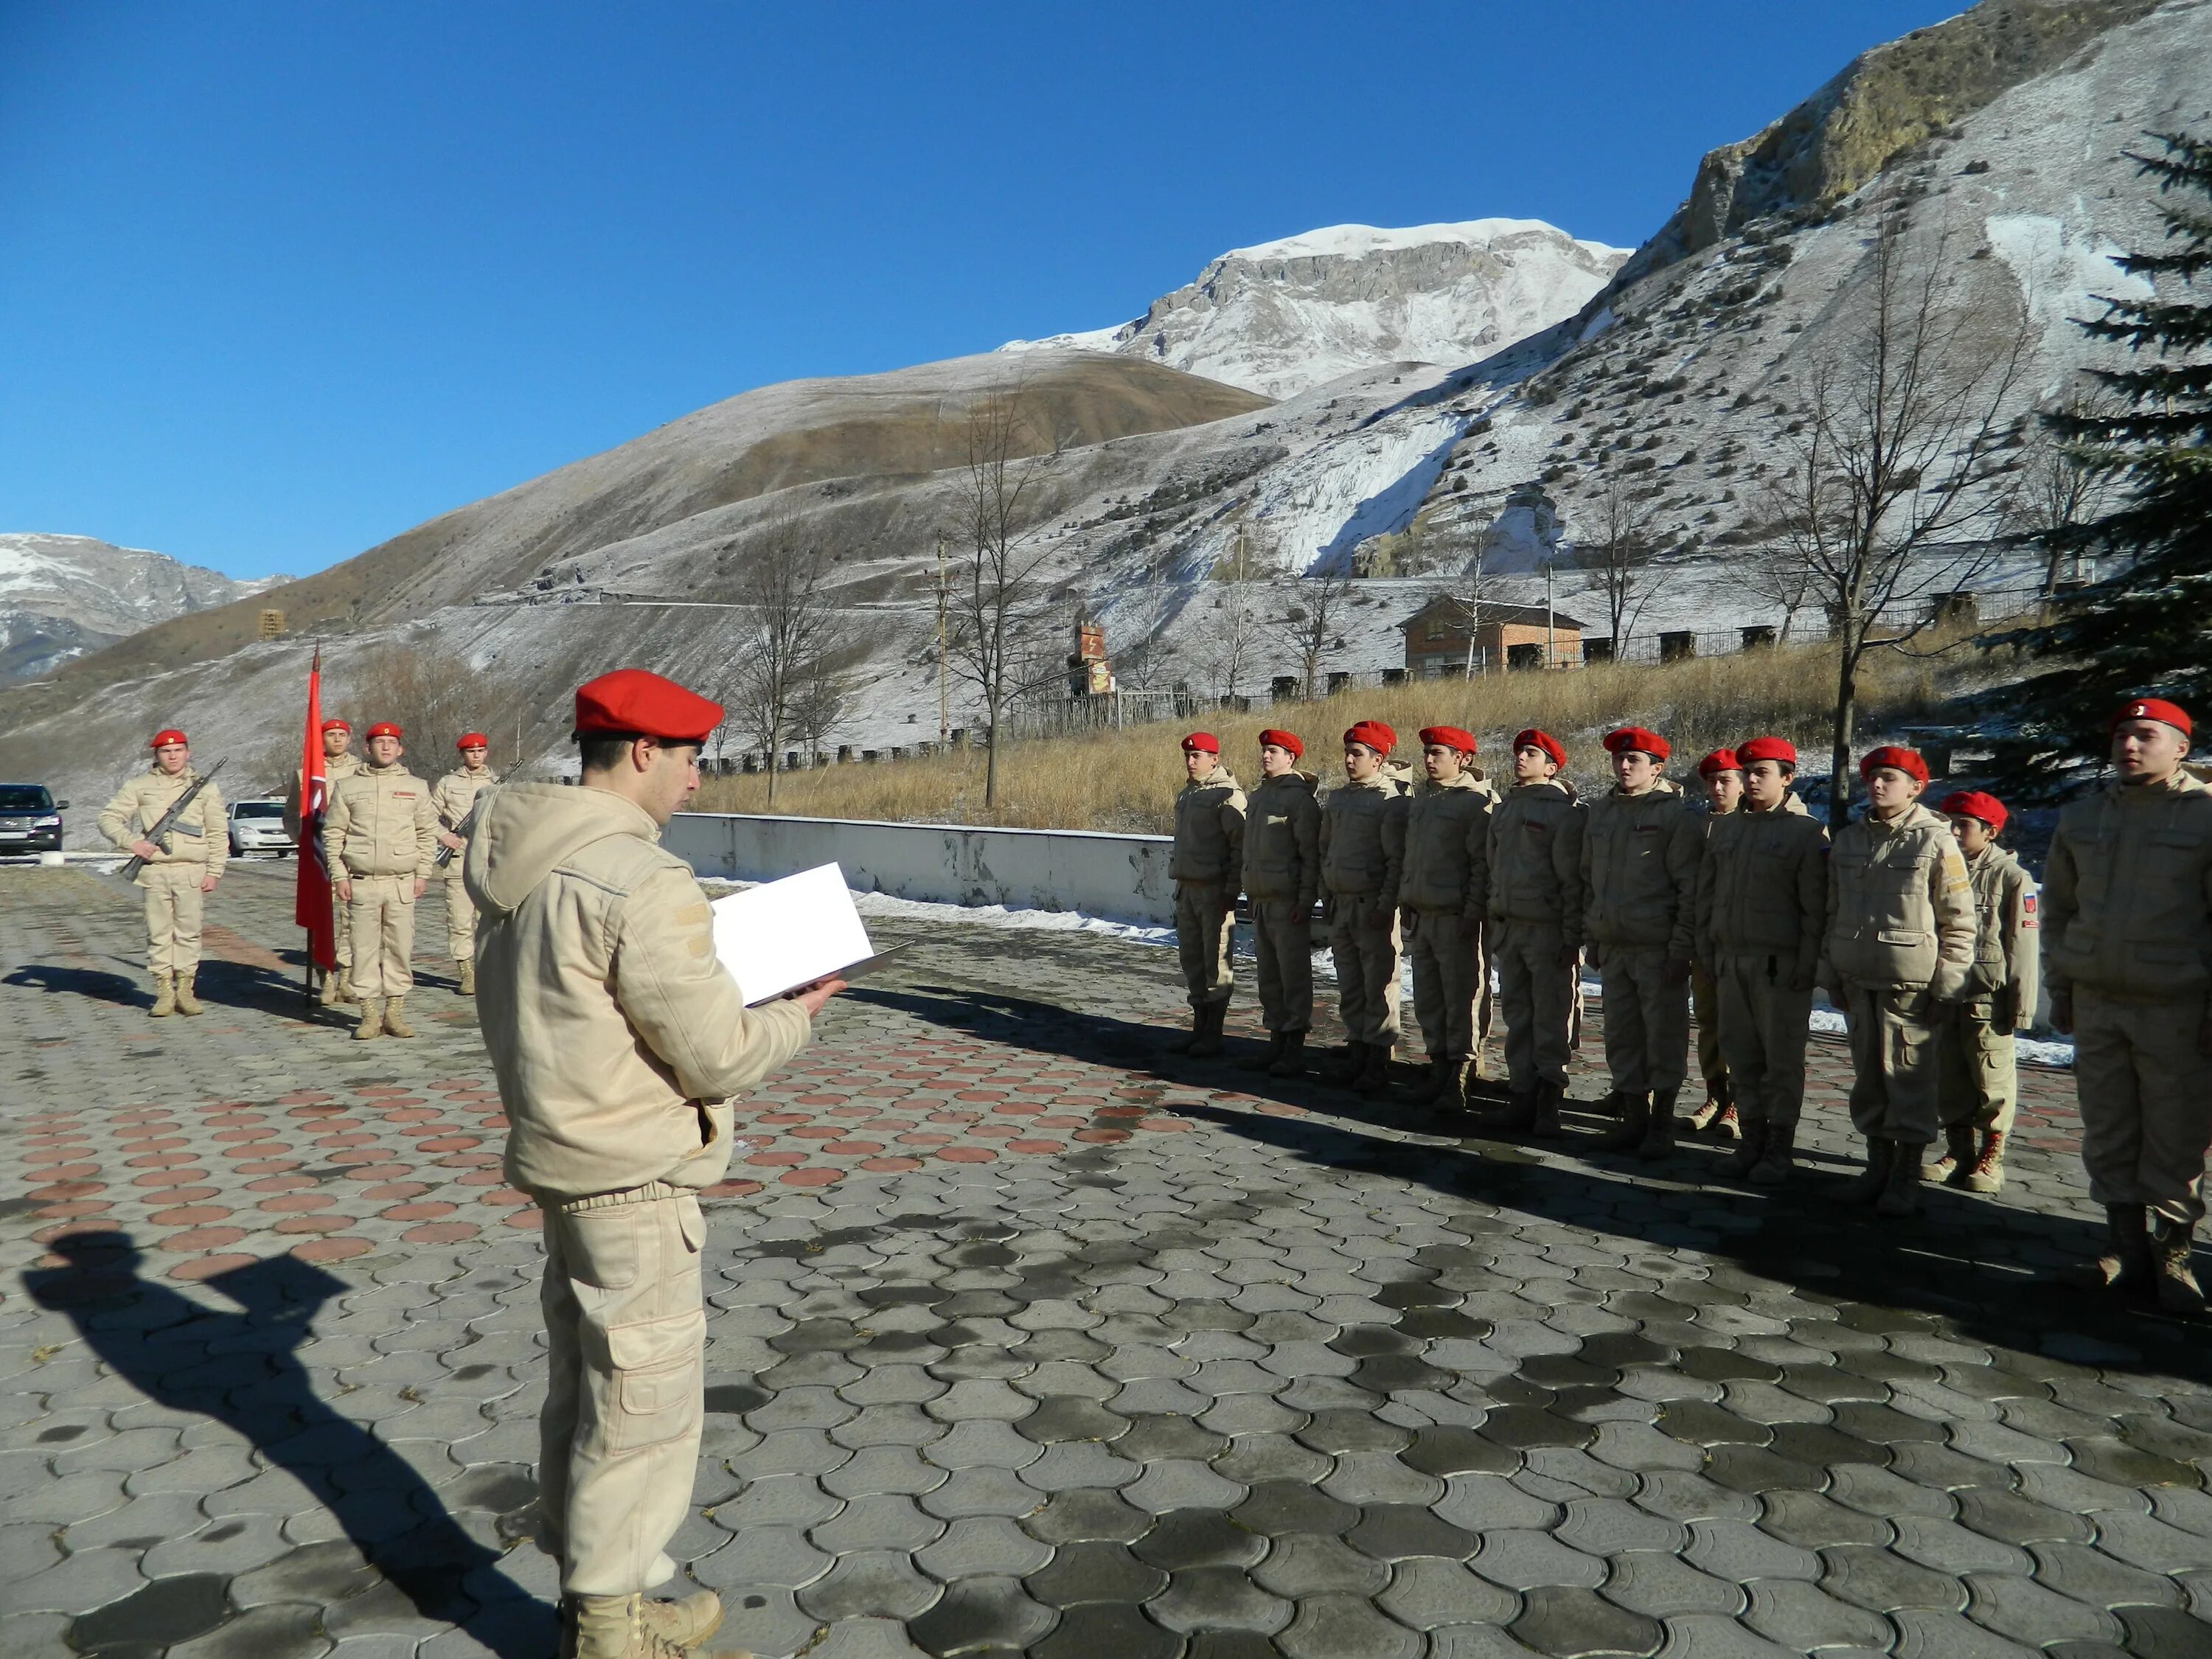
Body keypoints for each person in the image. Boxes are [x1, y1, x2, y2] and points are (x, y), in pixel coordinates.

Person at [466, 667, 840, 1659]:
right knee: (643, 1409)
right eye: (688, 758)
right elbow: (716, 1052)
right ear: (641, 752)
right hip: (634, 1178)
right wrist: (796, 1017)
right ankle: (608, 1634)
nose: (697, 782)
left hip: (565, 1162)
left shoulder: (523, 860)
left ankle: (612, 1600)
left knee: (587, 1390)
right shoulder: (638, 876)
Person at [2045, 698, 2212, 1313]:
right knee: (2109, 1129)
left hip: (2177, 1006)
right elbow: (2060, 912)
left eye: (2146, 736)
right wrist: (2061, 986)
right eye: (2121, 736)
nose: (2129, 746)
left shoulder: (2205, 818)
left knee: (2176, 1134)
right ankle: (2124, 1248)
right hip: (2098, 1001)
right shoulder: (2083, 817)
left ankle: (2173, 1254)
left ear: (2181, 748)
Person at [1820, 745, 1975, 1217]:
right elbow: (1833, 910)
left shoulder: (1935, 841)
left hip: (1912, 987)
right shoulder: (1848, 841)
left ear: (1916, 787)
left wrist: (1948, 985)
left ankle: (1906, 1176)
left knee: (1908, 1081)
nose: (1879, 785)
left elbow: (1960, 920)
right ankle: (1877, 1169)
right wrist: (1830, 974)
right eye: (1873, 778)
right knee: (1869, 1080)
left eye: (1890, 778)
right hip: (1859, 978)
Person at [1697, 737, 1827, 1185]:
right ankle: (1749, 1139)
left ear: (1787, 779)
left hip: (1780, 967)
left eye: (1762, 773)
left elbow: (1815, 910)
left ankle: (1778, 1147)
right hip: (1732, 962)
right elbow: (1708, 897)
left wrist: (1808, 967)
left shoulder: (1806, 834)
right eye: (1747, 772)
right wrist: (1708, 952)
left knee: (1781, 1062)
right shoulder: (1727, 829)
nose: (1751, 780)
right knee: (1742, 1056)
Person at [1583, 727, 1703, 1159]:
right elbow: (1588, 879)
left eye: (1635, 760)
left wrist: (1681, 949)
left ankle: (1661, 1124)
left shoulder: (1676, 816)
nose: (1625, 765)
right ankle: (1632, 1118)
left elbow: (1689, 888)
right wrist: (1592, 934)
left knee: (1664, 1036)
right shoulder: (1600, 813)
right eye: (1620, 758)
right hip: (1615, 943)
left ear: (1657, 768)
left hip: (1657, 947)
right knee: (1621, 1035)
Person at [1928, 789, 2039, 1194]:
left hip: (1987, 997)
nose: (1955, 832)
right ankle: (1958, 1150)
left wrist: (2021, 1004)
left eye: (1965, 826)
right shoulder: (1940, 868)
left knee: (1991, 1079)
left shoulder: (2012, 877)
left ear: (1990, 832)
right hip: (1946, 992)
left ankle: (1991, 1156)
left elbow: (2023, 946)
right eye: (1950, 823)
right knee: (1950, 1077)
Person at [1485, 728, 1585, 1136]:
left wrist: (1570, 937)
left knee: (1550, 1019)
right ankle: (1522, 1093)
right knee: (1518, 1017)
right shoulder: (1506, 809)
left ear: (1552, 766)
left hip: (1547, 932)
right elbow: (1494, 868)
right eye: (1519, 751)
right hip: (1512, 929)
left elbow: (1572, 881)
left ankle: (1549, 1101)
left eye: (1531, 753)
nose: (1521, 758)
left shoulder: (1562, 811)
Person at [1397, 726, 1495, 1110]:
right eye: (1426, 753)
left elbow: (1480, 864)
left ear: (1463, 759)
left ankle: (1461, 1074)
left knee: (1463, 998)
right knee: (1429, 998)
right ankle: (1438, 1064)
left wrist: (1473, 912)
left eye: (1438, 752)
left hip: (1456, 917)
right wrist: (1408, 897)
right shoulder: (1423, 801)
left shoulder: (1475, 803)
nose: (1429, 759)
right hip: (1424, 914)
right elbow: (1412, 857)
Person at [98, 728, 226, 1018]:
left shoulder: (205, 788)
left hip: (191, 870)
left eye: (178, 750)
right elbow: (108, 818)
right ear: (156, 755)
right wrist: (133, 843)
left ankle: (186, 990)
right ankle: (164, 991)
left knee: (189, 934)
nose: (173, 755)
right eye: (166, 751)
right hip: (155, 872)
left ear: (188, 753)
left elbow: (218, 833)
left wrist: (215, 871)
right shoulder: (139, 785)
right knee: (159, 933)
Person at [324, 722, 439, 1041]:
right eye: (379, 742)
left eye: (392, 743)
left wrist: (424, 873)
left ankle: (395, 1013)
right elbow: (334, 833)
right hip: (362, 882)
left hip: (402, 881)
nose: (386, 748)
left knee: (399, 948)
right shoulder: (347, 787)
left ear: (401, 749)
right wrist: (339, 874)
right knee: (363, 949)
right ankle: (369, 1015)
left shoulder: (416, 786)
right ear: (367, 748)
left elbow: (427, 832)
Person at [1319, 720, 1411, 1096]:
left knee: (1380, 984)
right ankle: (1356, 1047)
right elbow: (1325, 850)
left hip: (1373, 906)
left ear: (1378, 759)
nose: (1348, 760)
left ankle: (1378, 1057)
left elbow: (1396, 860)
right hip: (1342, 905)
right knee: (1351, 983)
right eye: (1347, 753)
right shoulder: (1340, 798)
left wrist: (1386, 905)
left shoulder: (1390, 800)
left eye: (1357, 754)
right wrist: (1327, 896)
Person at [1239, 729, 1321, 1077]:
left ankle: (1294, 1046)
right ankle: (1275, 1038)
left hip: (1287, 902)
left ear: (1291, 758)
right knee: (1269, 978)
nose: (1266, 756)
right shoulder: (1258, 796)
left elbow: (1310, 856)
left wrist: (1305, 900)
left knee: (1293, 976)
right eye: (1265, 751)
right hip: (1261, 900)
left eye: (1274, 751)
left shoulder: (1299, 800)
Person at [1166, 732, 1246, 1057]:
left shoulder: (1228, 795)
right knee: (1193, 962)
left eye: (1197, 756)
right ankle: (1199, 1027)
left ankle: (1214, 1032)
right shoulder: (1188, 793)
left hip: (1214, 891)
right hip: (1187, 889)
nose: (1190, 762)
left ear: (1215, 759)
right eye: (1187, 756)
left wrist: (1231, 890)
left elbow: (1240, 848)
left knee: (1216, 961)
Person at [287, 717, 363, 1005]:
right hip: (319, 858)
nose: (337, 739)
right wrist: (304, 841)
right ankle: (326, 980)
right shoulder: (306, 773)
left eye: (342, 734)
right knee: (322, 920)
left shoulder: (360, 771)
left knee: (351, 921)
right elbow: (292, 815)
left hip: (350, 855)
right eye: (331, 734)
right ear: (322, 739)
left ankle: (347, 978)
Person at [1688, 749, 1744, 1138]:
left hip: (1742, 944)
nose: (1717, 788)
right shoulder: (1696, 825)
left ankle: (1739, 1104)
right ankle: (1715, 1094)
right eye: (1712, 781)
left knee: (1741, 1028)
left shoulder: (1757, 825)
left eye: (1726, 780)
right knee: (1709, 1023)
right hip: (1703, 941)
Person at [432, 732, 501, 996]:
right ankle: (467, 974)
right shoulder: (448, 783)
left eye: (481, 751)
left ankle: (490, 970)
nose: (476, 755)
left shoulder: (496, 783)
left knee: (491, 919)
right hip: (459, 859)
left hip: (489, 859)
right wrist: (444, 835)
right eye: (471, 751)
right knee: (460, 919)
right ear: (462, 754)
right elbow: (428, 813)